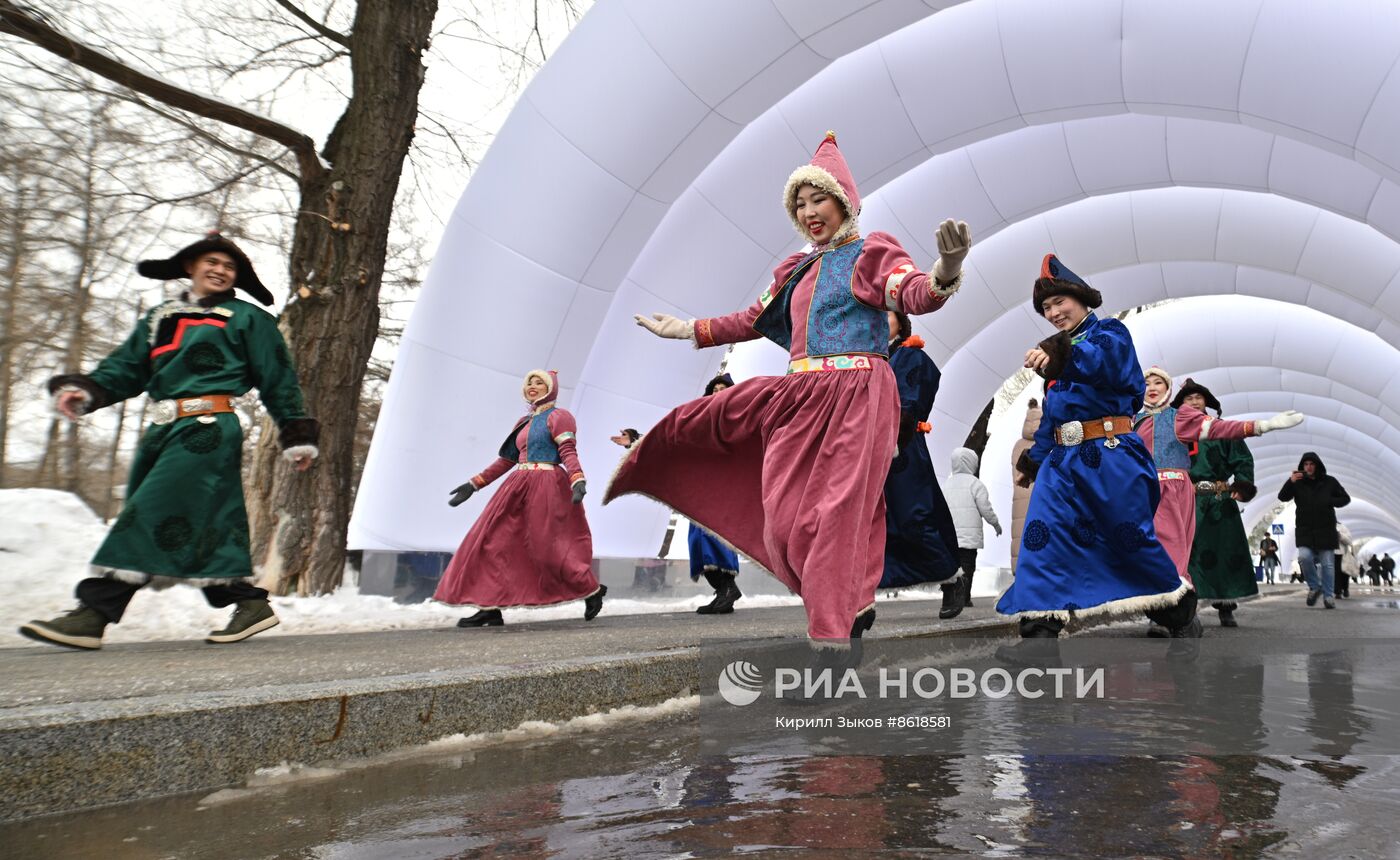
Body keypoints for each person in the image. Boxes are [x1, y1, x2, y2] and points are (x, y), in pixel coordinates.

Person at [609, 131, 971, 655]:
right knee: (784, 519)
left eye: (817, 198)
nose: (807, 212)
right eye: (798, 204)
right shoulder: (794, 270)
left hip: (857, 394)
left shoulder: (870, 253)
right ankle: (854, 598)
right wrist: (687, 328)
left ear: (843, 200)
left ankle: (831, 646)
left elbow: (910, 291)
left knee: (835, 516)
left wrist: (946, 270)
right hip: (801, 394)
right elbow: (752, 319)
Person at [20, 233, 318, 650]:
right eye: (211, 261)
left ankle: (94, 613)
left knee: (147, 512)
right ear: (190, 266)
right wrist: (85, 390)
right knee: (206, 522)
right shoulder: (159, 316)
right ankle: (248, 604)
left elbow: (278, 378)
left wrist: (295, 432)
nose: (219, 270)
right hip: (161, 431)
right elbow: (125, 369)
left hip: (208, 429)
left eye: (229, 266)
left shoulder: (249, 319)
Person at [996, 255, 1187, 648]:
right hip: (1061, 466)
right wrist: (1033, 460)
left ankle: (1177, 610)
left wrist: (1059, 353)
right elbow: (1054, 417)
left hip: (1111, 457)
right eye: (1046, 308)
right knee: (1041, 537)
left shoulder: (1111, 334)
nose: (1052, 312)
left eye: (1058, 303)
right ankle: (1039, 639)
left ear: (1082, 300)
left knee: (1128, 541)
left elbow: (1102, 362)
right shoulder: (1058, 359)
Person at [1133, 369, 1299, 635]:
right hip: (1171, 497)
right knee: (1171, 556)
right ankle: (1168, 613)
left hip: (1216, 501)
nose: (1194, 402)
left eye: (1199, 398)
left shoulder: (1212, 428)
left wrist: (1243, 482)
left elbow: (1241, 458)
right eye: (1189, 399)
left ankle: (1223, 604)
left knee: (1220, 554)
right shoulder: (1148, 421)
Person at [436, 370, 605, 626]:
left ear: (551, 388)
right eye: (529, 383)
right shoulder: (523, 422)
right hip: (516, 486)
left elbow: (568, 450)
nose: (533, 387)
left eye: (539, 383)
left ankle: (591, 589)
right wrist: (474, 484)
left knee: (547, 548)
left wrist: (577, 479)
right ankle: (489, 606)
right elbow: (507, 461)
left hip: (547, 485)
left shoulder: (559, 417)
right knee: (493, 543)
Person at [878, 311, 961, 616]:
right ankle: (862, 593)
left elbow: (912, 401)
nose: (879, 320)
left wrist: (897, 433)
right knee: (875, 521)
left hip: (904, 448)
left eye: (886, 314)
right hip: (867, 450)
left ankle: (950, 578)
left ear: (901, 321)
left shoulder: (911, 356)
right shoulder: (866, 358)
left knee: (916, 516)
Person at [687, 374, 744, 614]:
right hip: (701, 484)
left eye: (723, 388)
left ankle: (728, 588)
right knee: (697, 538)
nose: (718, 392)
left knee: (715, 535)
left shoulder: (738, 418)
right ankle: (723, 592)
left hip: (723, 485)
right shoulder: (699, 418)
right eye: (714, 388)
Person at [1278, 452, 1350, 609]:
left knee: (1327, 565)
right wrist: (1290, 482)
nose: (1309, 467)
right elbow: (1282, 497)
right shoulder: (1297, 483)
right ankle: (1314, 586)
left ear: (1317, 465)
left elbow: (1346, 498)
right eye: (1306, 464)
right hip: (1305, 529)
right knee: (1304, 557)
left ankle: (1329, 597)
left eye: (1311, 464)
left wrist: (1330, 501)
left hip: (1325, 529)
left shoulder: (1330, 482)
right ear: (1302, 466)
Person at [943, 447, 1002, 618]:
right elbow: (985, 508)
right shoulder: (975, 484)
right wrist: (995, 524)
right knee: (968, 566)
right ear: (973, 463)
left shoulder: (946, 484)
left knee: (951, 567)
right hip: (969, 538)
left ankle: (949, 598)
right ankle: (965, 597)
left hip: (950, 537)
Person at [1010, 398, 1042, 574]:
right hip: (1041, 493)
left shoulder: (1018, 445)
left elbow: (1015, 472)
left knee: (1019, 534)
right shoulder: (1048, 442)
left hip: (1020, 495)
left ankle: (1019, 573)